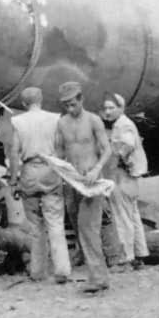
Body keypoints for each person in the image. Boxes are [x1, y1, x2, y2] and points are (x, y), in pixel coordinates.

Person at [7, 86, 72, 284]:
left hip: (29, 172)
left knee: (35, 226)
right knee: (55, 222)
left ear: (24, 103)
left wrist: (13, 180)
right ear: (41, 100)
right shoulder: (55, 119)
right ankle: (61, 269)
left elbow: (14, 153)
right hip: (50, 170)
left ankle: (37, 270)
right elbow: (62, 147)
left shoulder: (17, 122)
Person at [54, 81, 112, 294]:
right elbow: (59, 151)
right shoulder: (61, 123)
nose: (70, 108)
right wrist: (54, 165)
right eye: (66, 105)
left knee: (88, 227)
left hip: (91, 183)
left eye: (72, 104)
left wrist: (96, 169)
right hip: (72, 183)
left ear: (81, 99)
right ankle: (100, 275)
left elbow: (107, 150)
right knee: (80, 229)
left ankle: (97, 278)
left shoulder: (94, 120)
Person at [100, 92, 149, 269]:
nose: (107, 112)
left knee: (122, 218)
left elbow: (127, 144)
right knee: (132, 216)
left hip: (122, 176)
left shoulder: (123, 125)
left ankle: (126, 257)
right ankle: (139, 254)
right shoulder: (121, 124)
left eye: (111, 108)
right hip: (129, 177)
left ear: (121, 108)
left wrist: (117, 158)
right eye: (105, 108)